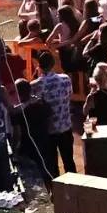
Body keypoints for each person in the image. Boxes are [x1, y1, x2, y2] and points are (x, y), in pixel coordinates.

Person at [34, 50, 75, 179]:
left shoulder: (36, 84)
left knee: (52, 163)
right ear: (53, 64)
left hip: (49, 130)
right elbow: (69, 96)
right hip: (65, 127)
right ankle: (75, 187)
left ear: (39, 66)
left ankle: (56, 191)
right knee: (69, 160)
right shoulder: (66, 79)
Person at [12, 77, 56, 188]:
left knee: (33, 176)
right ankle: (53, 192)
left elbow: (17, 133)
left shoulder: (18, 111)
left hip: (28, 147)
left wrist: (14, 150)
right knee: (48, 169)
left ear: (18, 93)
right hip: (45, 142)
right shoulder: (42, 103)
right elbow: (51, 120)